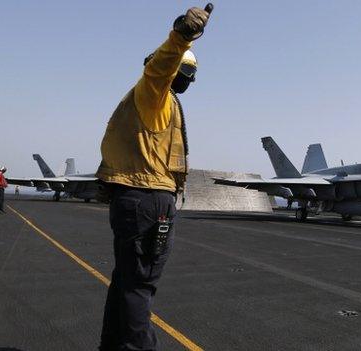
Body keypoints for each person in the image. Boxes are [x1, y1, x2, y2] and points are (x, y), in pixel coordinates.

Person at [95, 5, 213, 351]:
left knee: (126, 282)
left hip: (137, 197)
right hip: (147, 199)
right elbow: (161, 68)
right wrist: (183, 35)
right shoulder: (153, 94)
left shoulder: (158, 102)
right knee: (139, 286)